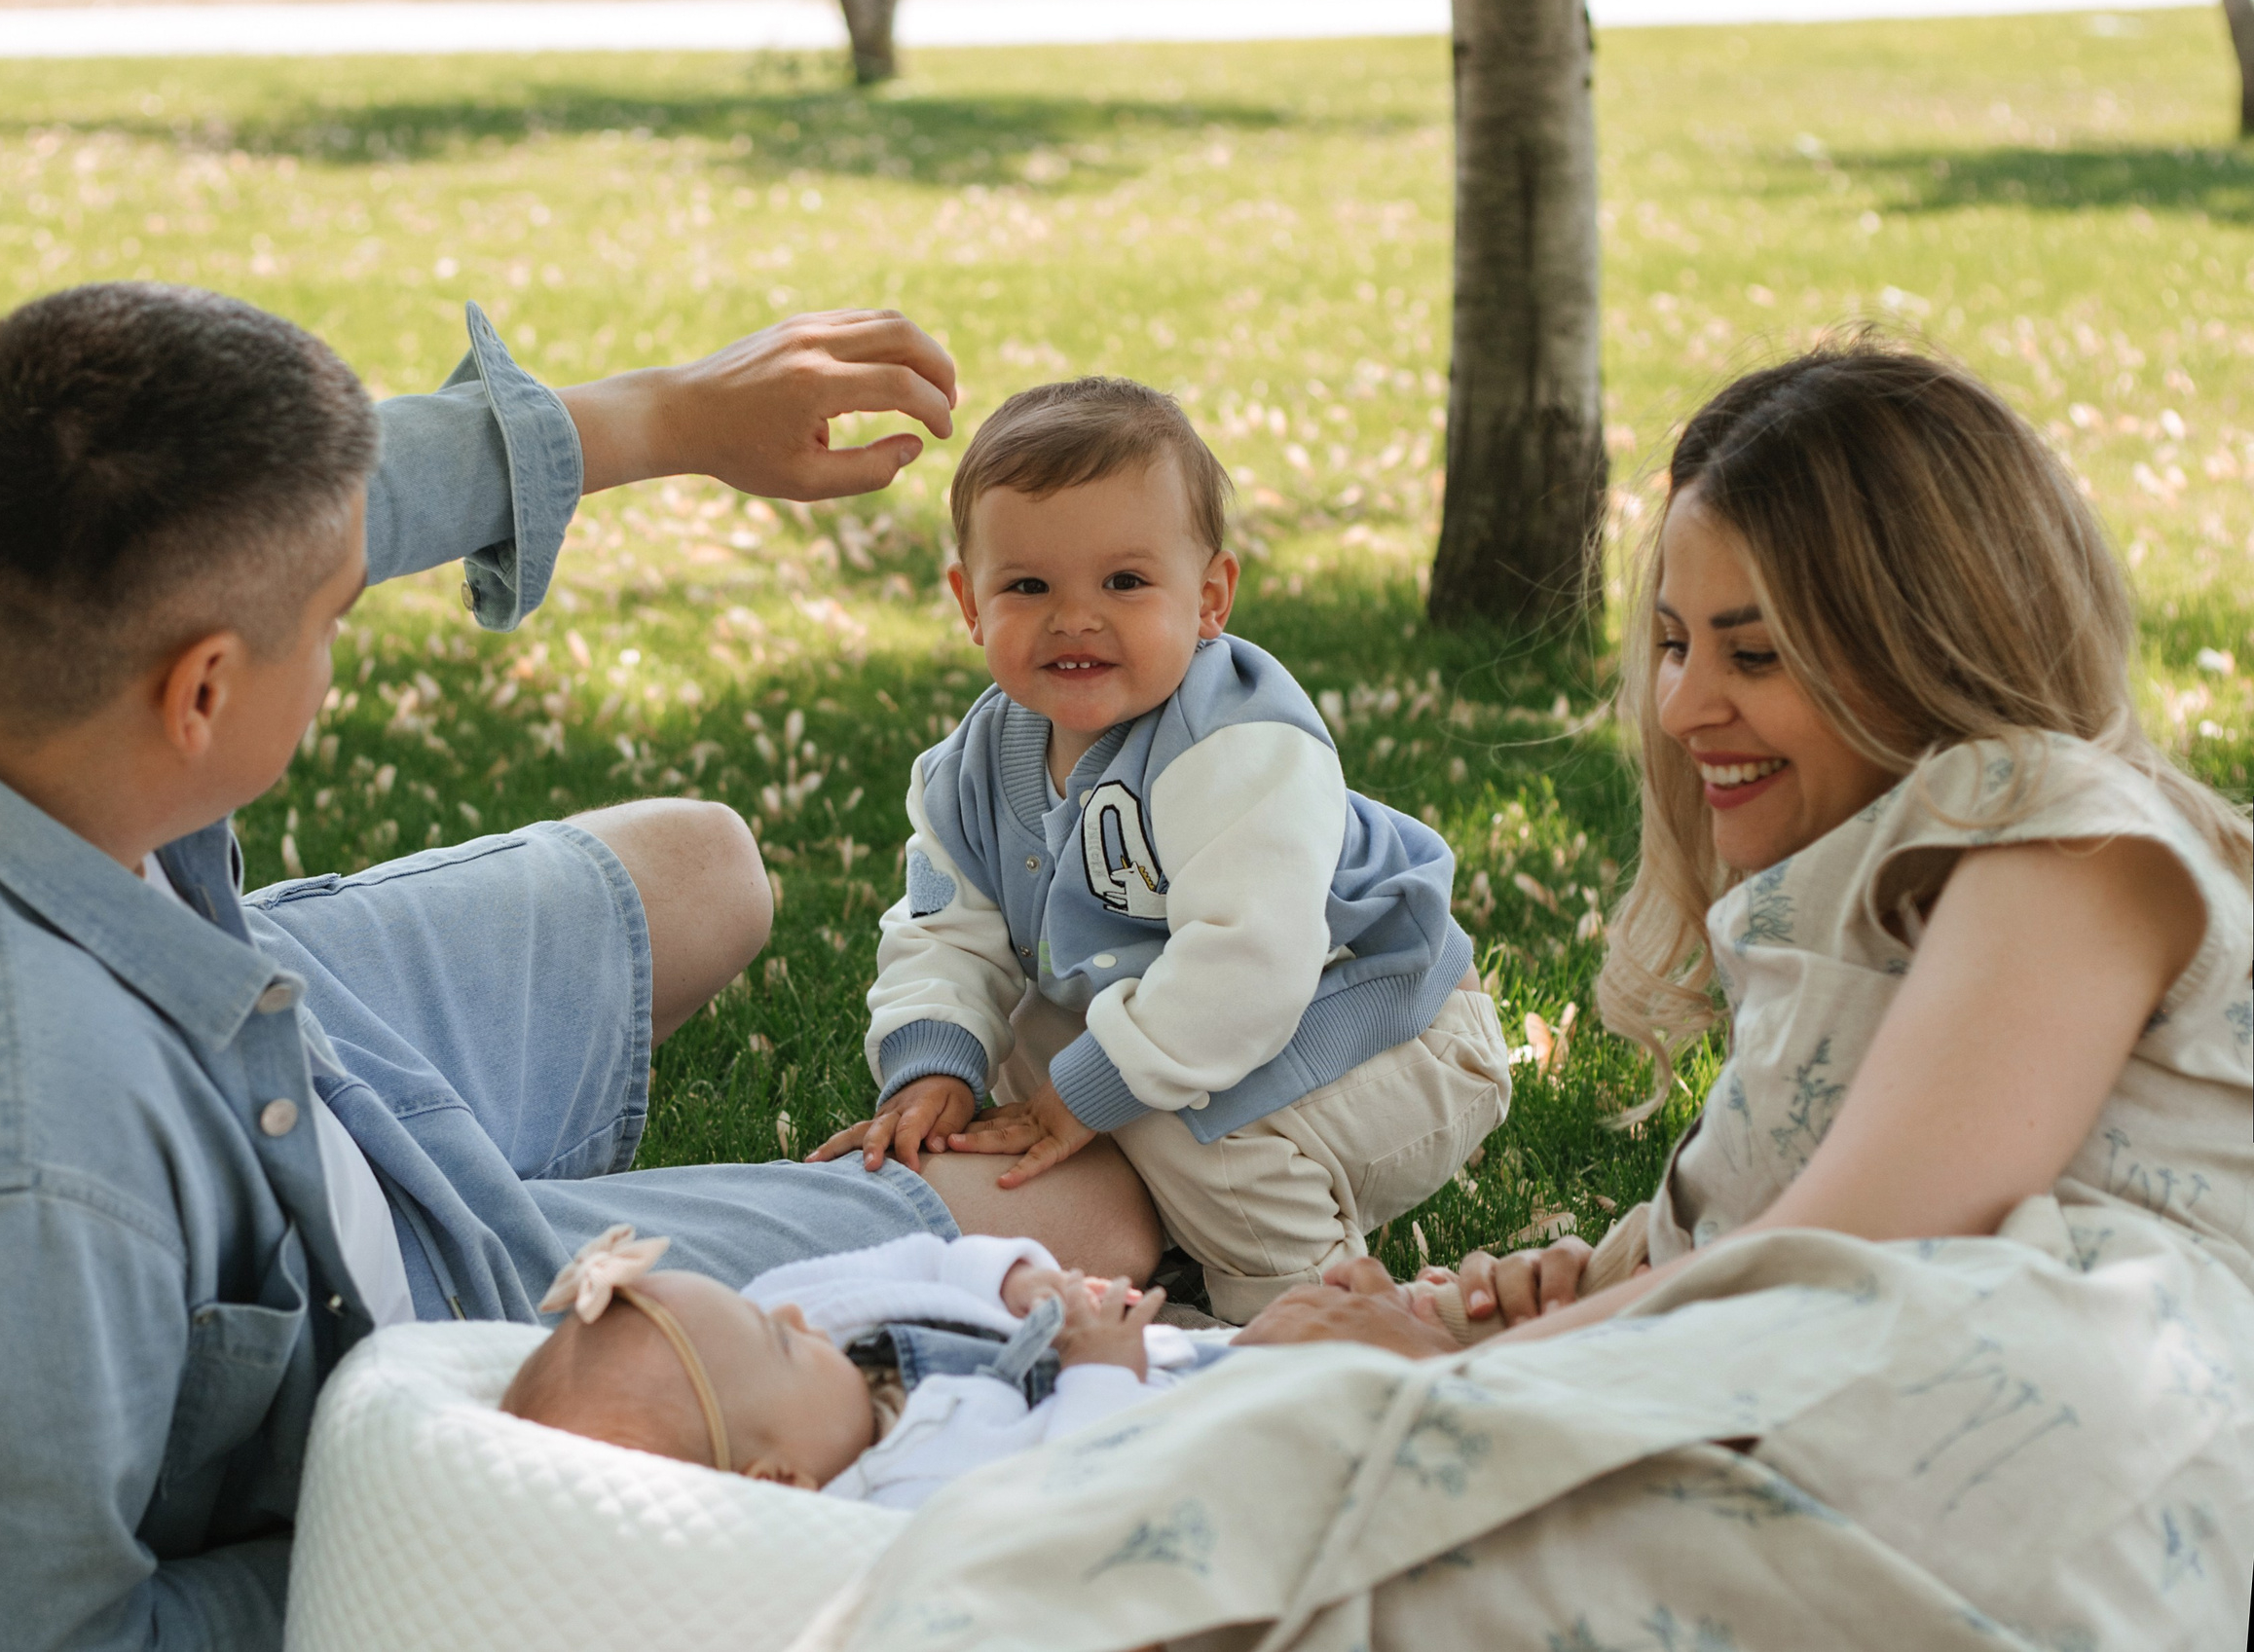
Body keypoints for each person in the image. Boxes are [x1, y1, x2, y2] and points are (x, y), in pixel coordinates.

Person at [0, 282, 1161, 1651]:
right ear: (199, 692)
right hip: (333, 1300)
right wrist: (429, 1518)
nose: (336, 643)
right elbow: (39, 1630)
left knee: (704, 867)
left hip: (265, 1021)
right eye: (324, 628)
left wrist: (674, 415)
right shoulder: (25, 1185)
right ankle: (536, 1252)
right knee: (1089, 1215)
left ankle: (553, 1185)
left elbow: (313, 507)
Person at [795, 340, 2254, 1651]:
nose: (1682, 706)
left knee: (1219, 1499)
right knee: (1156, 1509)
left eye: (1754, 652)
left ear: (1933, 637)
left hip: (2029, 1413)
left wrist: (1422, 1381)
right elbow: (1773, 1219)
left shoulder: (2060, 829)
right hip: (1834, 1352)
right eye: (1677, 643)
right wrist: (1570, 1288)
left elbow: (1870, 1229)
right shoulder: (1853, 898)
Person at [806, 377, 1510, 1322]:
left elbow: (1246, 966)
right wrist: (934, 1060)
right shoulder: (967, 768)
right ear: (969, 603)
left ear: (1209, 595)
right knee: (1005, 1079)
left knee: (1194, 1132)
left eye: (1125, 581)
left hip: (1383, 1024)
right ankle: (1145, 1275)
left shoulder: (1238, 743)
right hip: (1192, 1009)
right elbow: (943, 931)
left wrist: (1088, 1088)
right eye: (1027, 586)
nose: (1074, 616)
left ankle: (1301, 1325)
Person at [501, 1225, 1190, 1510]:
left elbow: (920, 1258)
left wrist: (1007, 1282)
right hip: (1186, 1435)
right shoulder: (903, 1494)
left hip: (1168, 1360)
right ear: (779, 1482)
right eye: (782, 1342)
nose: (799, 1318)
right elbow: (1071, 1508)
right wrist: (1100, 1375)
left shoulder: (787, 1317)